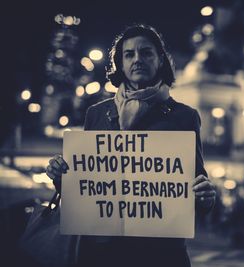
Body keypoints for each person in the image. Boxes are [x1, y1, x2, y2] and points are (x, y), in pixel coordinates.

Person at [45, 23, 216, 267]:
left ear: (160, 60)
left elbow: (196, 186)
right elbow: (86, 184)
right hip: (103, 254)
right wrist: (60, 175)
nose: (137, 59)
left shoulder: (184, 116)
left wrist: (205, 196)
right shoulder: (97, 113)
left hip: (160, 254)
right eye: (129, 54)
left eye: (146, 53)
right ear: (120, 64)